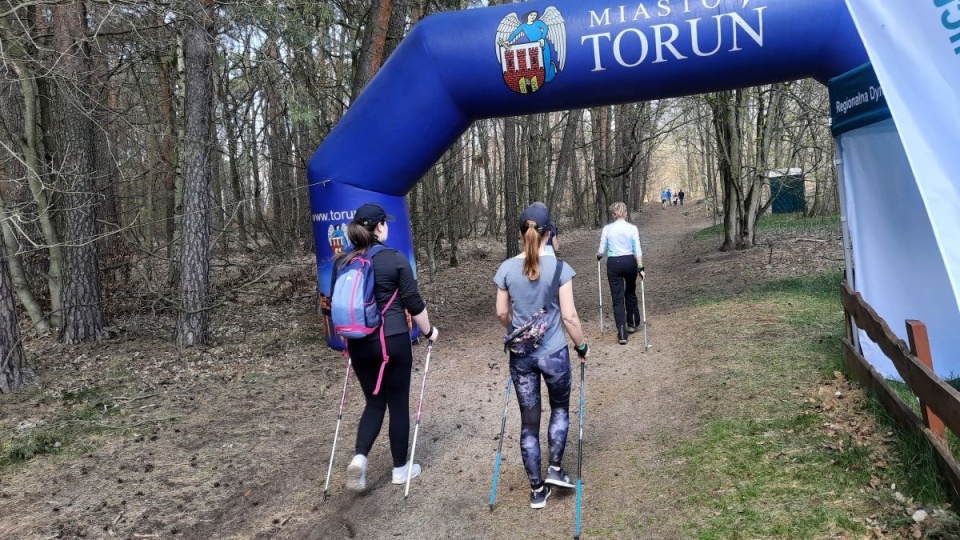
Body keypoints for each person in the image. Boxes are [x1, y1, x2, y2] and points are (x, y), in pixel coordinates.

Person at [337, 203, 440, 492]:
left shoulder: (343, 262)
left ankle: (360, 457)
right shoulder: (395, 259)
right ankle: (399, 470)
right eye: (386, 223)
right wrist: (428, 331)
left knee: (374, 402)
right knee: (397, 403)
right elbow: (413, 303)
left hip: (358, 343)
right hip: (392, 340)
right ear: (380, 227)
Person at [494, 203, 588, 509]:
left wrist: (519, 331)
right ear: (549, 233)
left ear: (522, 233)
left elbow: (501, 312)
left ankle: (537, 490)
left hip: (522, 358)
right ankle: (555, 469)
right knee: (560, 409)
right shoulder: (560, 269)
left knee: (528, 423)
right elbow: (570, 317)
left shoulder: (507, 269)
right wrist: (581, 346)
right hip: (555, 354)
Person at [596, 201, 645, 345]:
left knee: (617, 298)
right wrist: (641, 267)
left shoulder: (607, 229)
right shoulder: (632, 228)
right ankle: (633, 322)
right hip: (630, 262)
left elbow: (601, 249)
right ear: (625, 213)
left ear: (613, 214)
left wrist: (598, 256)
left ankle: (622, 333)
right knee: (630, 291)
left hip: (614, 264)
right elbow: (637, 249)